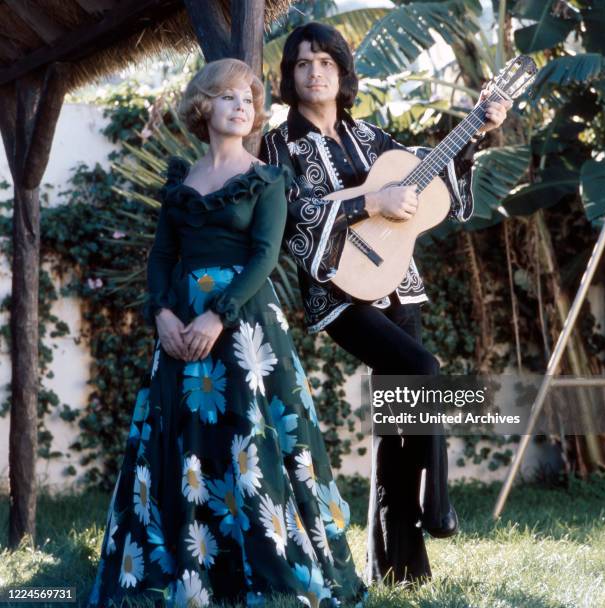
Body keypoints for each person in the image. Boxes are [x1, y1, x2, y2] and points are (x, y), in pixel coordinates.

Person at [88, 58, 367, 608]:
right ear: (204, 106)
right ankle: (183, 571)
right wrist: (163, 315)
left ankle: (266, 572)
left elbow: (265, 255)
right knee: (182, 441)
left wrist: (218, 314)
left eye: (249, 99)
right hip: (179, 330)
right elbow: (162, 257)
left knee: (250, 440)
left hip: (244, 330)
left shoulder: (265, 178)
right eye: (230, 97)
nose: (243, 107)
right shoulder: (181, 183)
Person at [260, 22, 511, 586]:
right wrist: (371, 200)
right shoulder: (279, 145)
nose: (315, 71)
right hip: (339, 294)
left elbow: (433, 176)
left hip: (401, 283)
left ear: (342, 72)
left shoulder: (374, 136)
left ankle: (399, 569)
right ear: (290, 77)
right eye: (302, 64)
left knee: (398, 424)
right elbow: (290, 217)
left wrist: (477, 126)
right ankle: (438, 506)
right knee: (423, 370)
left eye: (325, 61)